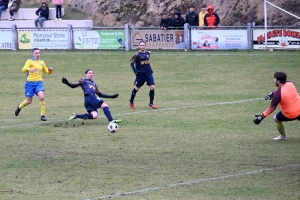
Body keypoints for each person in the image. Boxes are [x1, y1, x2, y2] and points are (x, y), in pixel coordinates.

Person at [253, 71, 300, 140]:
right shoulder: (290, 83)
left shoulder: (278, 94)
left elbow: (271, 108)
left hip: (291, 114)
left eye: (274, 79)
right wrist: (273, 92)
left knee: (276, 118)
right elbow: (282, 88)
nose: (273, 80)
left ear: (278, 81)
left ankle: (283, 136)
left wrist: (261, 116)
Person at [15, 48, 53, 121]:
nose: (38, 54)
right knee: (29, 101)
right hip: (30, 83)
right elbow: (23, 69)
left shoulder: (42, 62)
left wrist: (50, 71)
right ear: (33, 54)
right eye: (36, 53)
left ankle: (42, 115)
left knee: (41, 97)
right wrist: (29, 69)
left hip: (39, 83)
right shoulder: (30, 61)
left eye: (39, 53)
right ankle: (19, 107)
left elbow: (46, 71)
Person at [129, 40, 157, 110]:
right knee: (136, 88)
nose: (142, 47)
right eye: (141, 45)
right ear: (139, 46)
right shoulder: (137, 54)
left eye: (143, 45)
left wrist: (150, 69)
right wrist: (135, 72)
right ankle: (131, 101)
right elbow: (131, 63)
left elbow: (147, 62)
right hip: (140, 75)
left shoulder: (148, 53)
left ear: (145, 46)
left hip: (148, 73)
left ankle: (151, 103)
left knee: (152, 87)